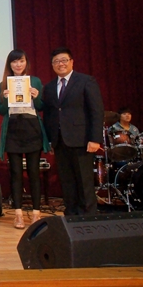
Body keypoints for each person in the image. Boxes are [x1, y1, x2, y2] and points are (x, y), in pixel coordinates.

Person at [42, 47, 104, 216]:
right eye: (56, 61)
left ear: (71, 62)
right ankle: (71, 215)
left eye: (64, 60)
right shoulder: (49, 87)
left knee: (84, 181)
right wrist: (50, 140)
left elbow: (96, 111)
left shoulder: (86, 81)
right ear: (52, 65)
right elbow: (49, 115)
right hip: (60, 141)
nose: (60, 64)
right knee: (67, 181)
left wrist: (95, 138)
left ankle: (88, 217)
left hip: (82, 140)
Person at [0, 50, 49, 229]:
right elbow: (1, 111)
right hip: (13, 129)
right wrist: (5, 99)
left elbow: (41, 106)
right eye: (14, 62)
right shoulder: (4, 84)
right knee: (16, 173)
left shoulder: (35, 81)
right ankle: (18, 214)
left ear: (26, 62)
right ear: (9, 65)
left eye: (21, 61)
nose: (18, 65)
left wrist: (37, 96)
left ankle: (36, 212)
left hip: (31, 127)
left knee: (34, 172)